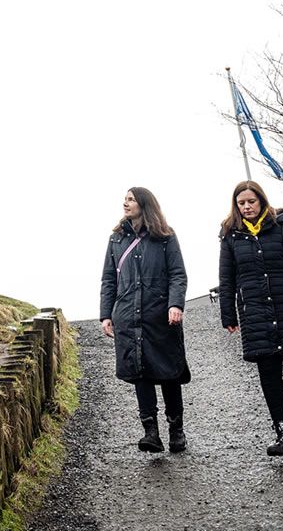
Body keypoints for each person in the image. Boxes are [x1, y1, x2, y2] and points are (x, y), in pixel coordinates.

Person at [218, 180, 283, 456]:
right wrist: (228, 312)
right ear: (236, 206)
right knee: (270, 375)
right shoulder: (230, 236)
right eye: (242, 203)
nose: (247, 206)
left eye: (251, 201)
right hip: (255, 315)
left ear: (261, 200)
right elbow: (226, 278)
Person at [100, 187, 190, 453]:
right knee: (140, 372)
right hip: (128, 314)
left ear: (144, 203)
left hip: (160, 315)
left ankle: (176, 430)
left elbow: (177, 273)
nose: (125, 203)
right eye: (124, 199)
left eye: (130, 199)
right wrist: (106, 314)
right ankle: (151, 433)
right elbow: (108, 279)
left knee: (169, 372)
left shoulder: (165, 236)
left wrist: (175, 304)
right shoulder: (116, 239)